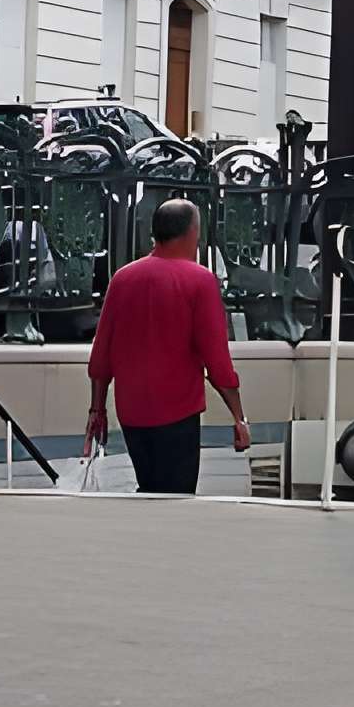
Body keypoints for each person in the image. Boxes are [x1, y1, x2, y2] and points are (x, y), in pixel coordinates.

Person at [85, 197, 247, 494]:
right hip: (177, 413)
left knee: (148, 489)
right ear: (192, 233)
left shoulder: (123, 278)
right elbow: (217, 361)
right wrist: (239, 416)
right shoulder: (200, 281)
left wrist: (97, 410)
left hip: (132, 413)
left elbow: (101, 356)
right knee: (177, 497)